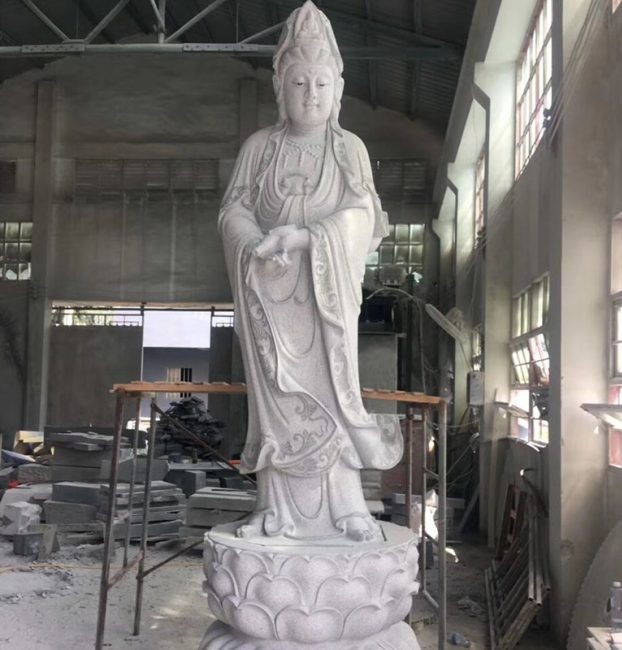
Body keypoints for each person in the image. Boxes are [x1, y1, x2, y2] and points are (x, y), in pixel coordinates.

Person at [219, 0, 402, 543]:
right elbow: (233, 211)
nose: (311, 94)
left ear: (338, 90)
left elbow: (364, 215)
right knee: (277, 401)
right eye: (299, 83)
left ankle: (346, 506)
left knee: (335, 395)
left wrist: (305, 237)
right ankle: (274, 509)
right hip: (271, 297)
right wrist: (254, 243)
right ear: (280, 87)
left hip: (327, 299)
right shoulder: (259, 149)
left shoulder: (349, 149)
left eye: (321, 84)